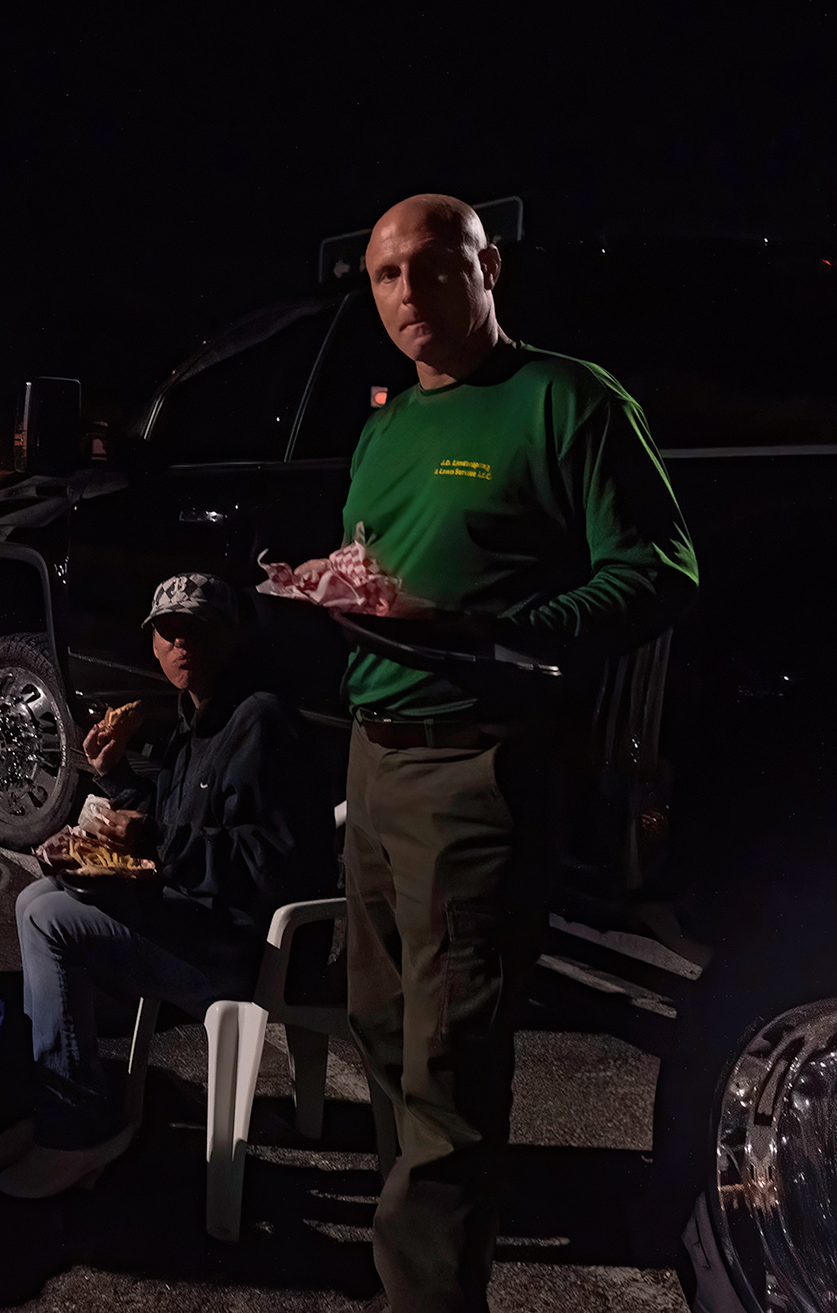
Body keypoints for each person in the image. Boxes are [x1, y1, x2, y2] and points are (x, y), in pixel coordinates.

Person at [336, 194, 698, 1312]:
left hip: (479, 765)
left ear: (490, 267)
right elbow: (376, 564)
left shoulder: (566, 401)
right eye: (385, 277)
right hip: (375, 753)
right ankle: (426, 1276)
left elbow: (659, 570)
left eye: (430, 267)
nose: (406, 293)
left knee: (451, 1066)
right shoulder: (387, 424)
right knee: (384, 1034)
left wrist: (502, 633)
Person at [0, 573, 336, 1199]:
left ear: (231, 636)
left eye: (198, 629)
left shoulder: (260, 722)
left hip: (244, 950)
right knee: (38, 897)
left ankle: (77, 1131)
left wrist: (154, 845)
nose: (182, 643)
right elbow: (166, 820)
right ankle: (64, 1104)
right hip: (194, 922)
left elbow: (273, 864)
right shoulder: (193, 716)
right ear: (152, 644)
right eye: (168, 631)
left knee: (48, 920)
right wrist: (115, 774)